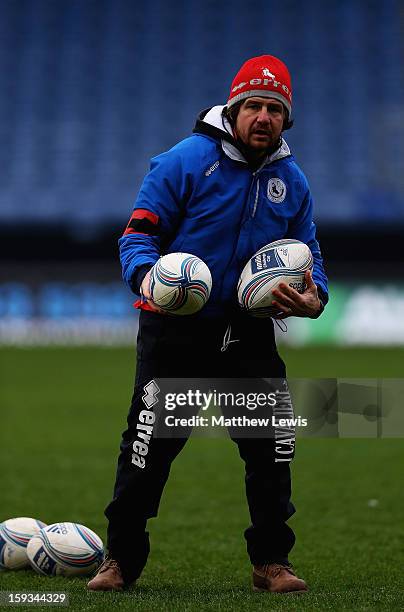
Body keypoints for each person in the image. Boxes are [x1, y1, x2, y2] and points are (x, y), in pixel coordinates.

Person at [88, 54, 328, 594]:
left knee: (270, 447)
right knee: (148, 448)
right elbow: (136, 237)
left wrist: (316, 297)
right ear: (234, 108)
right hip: (176, 331)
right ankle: (120, 560)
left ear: (285, 120)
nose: (263, 117)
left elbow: (311, 253)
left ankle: (272, 562)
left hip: (248, 331)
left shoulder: (291, 180)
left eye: (274, 108)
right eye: (254, 107)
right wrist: (146, 278)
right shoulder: (183, 161)